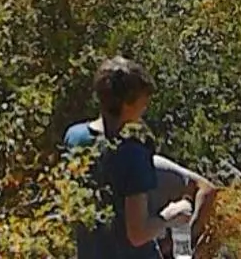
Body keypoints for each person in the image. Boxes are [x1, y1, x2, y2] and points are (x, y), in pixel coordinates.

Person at [65, 56, 216, 255]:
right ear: (127, 104)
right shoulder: (133, 154)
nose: (145, 106)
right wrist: (170, 215)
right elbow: (137, 234)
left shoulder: (74, 137)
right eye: (143, 101)